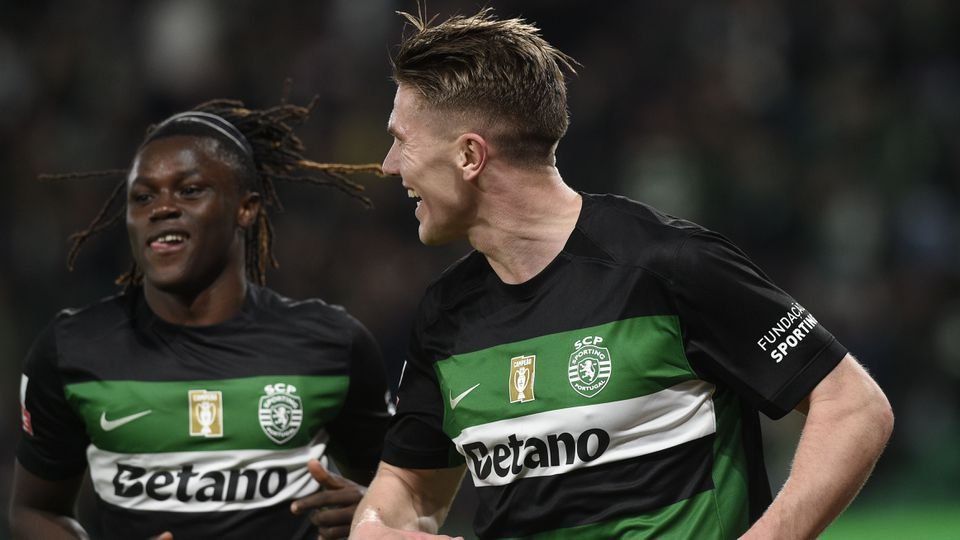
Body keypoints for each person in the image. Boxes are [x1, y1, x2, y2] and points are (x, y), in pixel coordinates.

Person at [349, 8, 895, 539]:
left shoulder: (668, 266)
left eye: (402, 140)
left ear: (470, 156)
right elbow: (410, 489)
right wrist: (373, 527)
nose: (388, 165)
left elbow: (853, 406)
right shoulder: (445, 315)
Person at [10, 97, 391, 540]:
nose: (162, 208)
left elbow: (407, 493)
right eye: (143, 196)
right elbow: (32, 510)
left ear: (245, 208)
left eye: (189, 190)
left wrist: (372, 515)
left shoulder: (331, 346)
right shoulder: (74, 350)